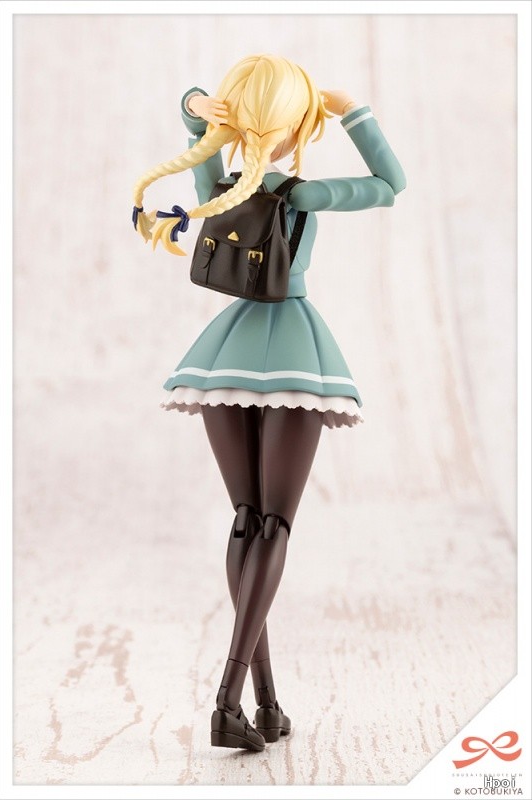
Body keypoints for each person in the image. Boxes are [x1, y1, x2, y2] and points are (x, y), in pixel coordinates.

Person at [133, 54, 406, 751]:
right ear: (295, 124)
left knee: (246, 520)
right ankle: (227, 700)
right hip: (291, 353)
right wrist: (350, 110)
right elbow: (390, 185)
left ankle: (265, 702)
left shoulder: (220, 187)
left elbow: (193, 121)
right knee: (274, 524)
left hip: (224, 356)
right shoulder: (303, 193)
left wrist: (195, 105)